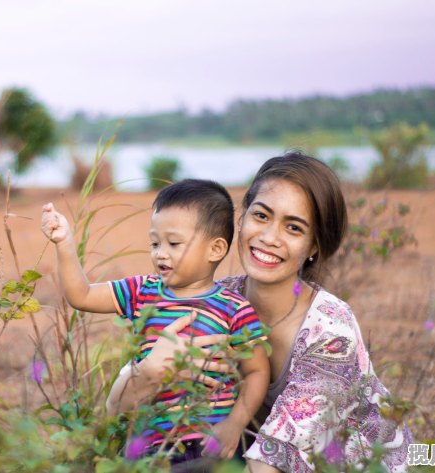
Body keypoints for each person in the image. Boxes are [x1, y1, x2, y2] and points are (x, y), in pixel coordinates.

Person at [107, 153, 411, 472]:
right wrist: (149, 372)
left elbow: (272, 464)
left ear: (314, 247)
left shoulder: (331, 334)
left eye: (293, 228)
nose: (268, 237)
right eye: (262, 216)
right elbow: (115, 412)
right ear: (242, 218)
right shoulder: (214, 299)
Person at [41, 179, 270, 465]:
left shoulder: (234, 308)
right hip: (150, 449)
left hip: (211, 445)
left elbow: (257, 371)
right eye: (154, 242)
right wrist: (64, 243)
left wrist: (236, 423)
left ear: (215, 249)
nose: (160, 252)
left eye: (173, 243)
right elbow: (82, 295)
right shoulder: (142, 291)